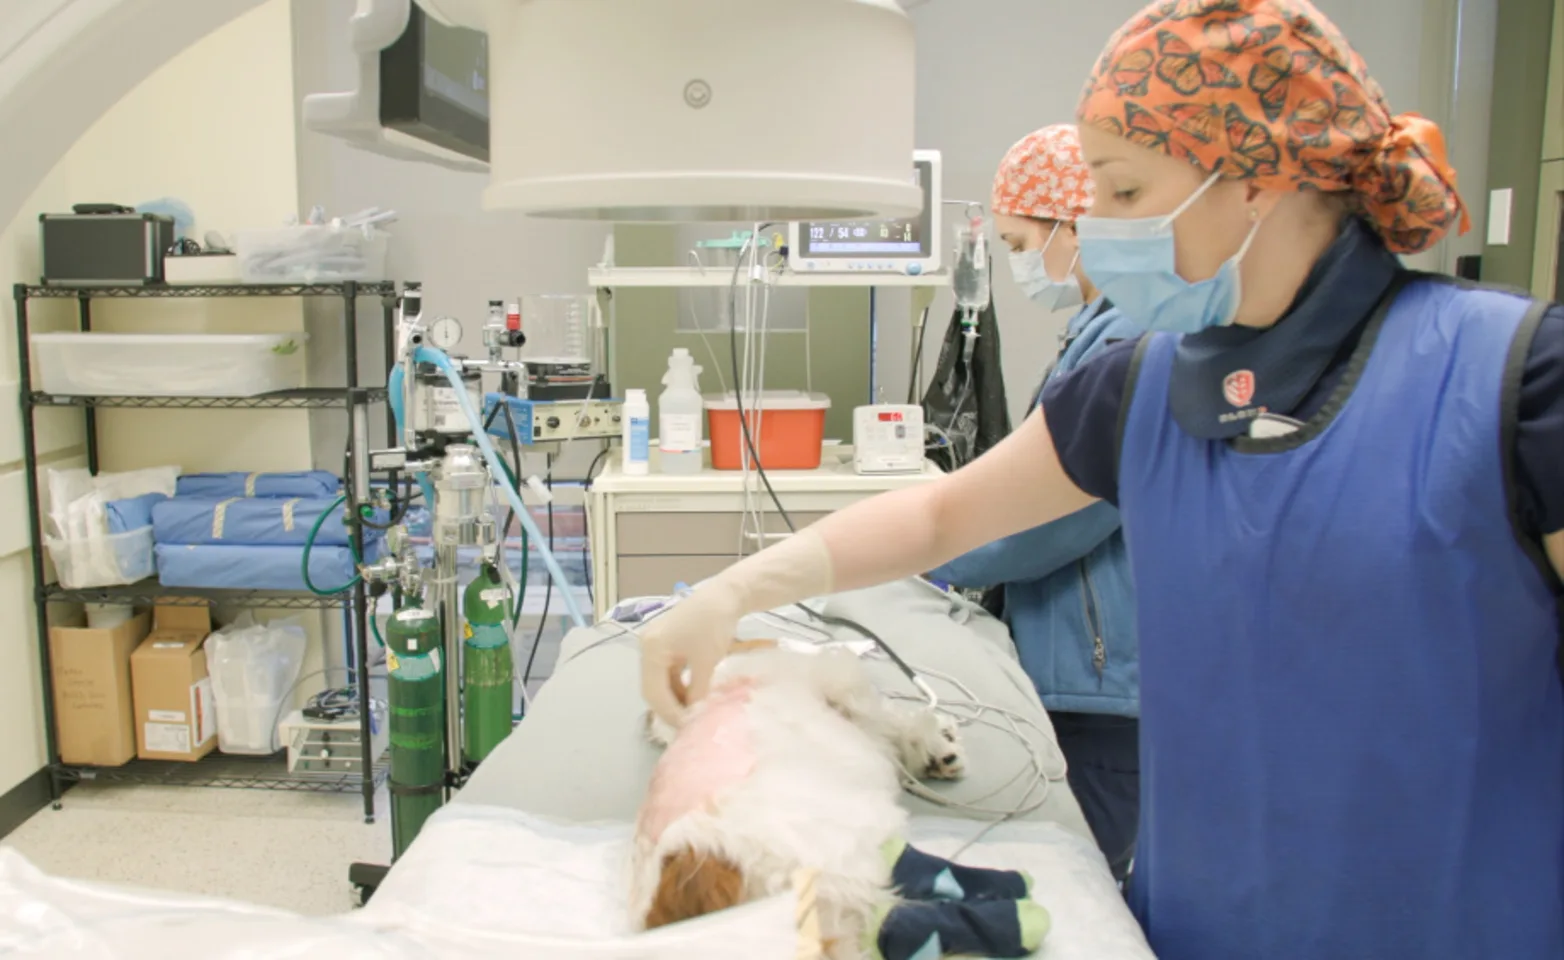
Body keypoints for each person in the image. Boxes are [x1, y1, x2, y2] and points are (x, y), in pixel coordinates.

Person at [638, 0, 1564, 956]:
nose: (1101, 229)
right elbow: (944, 515)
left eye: (1123, 193)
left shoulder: (1516, 381)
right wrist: (733, 592)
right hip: (1193, 927)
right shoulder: (1144, 388)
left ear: (1253, 179)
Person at [926, 123, 1142, 883]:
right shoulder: (1091, 332)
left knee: (1085, 886)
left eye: (1020, 243)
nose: (1018, 264)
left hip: (1107, 685)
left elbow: (1051, 514)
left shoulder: (1129, 344)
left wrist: (931, 552)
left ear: (1074, 224)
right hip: (1078, 668)